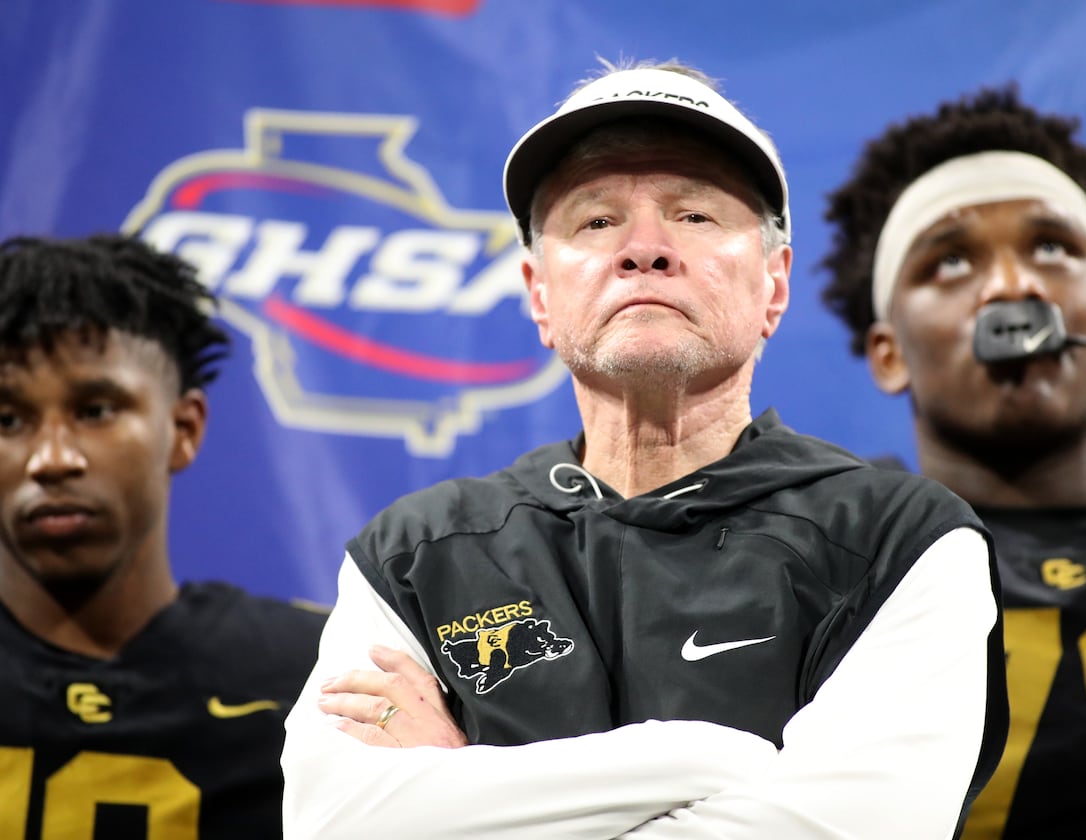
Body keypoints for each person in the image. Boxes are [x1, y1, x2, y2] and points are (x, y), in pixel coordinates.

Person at [281, 59, 1008, 839]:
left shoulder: (901, 538)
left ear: (774, 284)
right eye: (596, 221)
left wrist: (457, 779)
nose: (646, 250)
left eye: (694, 215)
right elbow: (334, 824)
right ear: (538, 294)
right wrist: (707, 763)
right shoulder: (416, 555)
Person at [820, 85, 1086, 839]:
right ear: (889, 352)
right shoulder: (825, 560)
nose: (1012, 288)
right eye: (951, 262)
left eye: (1053, 248)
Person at [0, 233, 328, 838]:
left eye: (95, 410)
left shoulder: (317, 677)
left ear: (183, 428)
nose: (50, 458)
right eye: (8, 419)